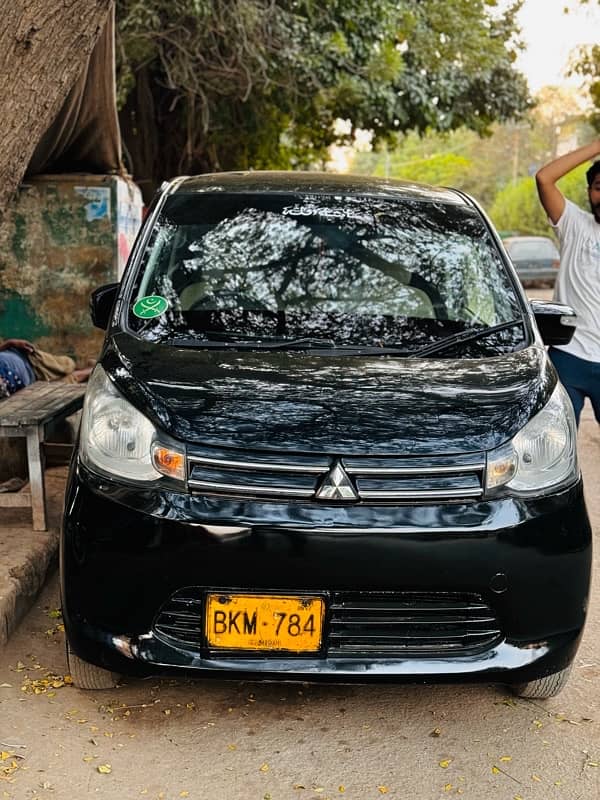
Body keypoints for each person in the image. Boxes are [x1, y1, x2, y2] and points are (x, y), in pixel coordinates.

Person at [535, 139, 600, 427]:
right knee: (559, 445)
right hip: (568, 356)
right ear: (589, 191)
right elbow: (544, 178)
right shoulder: (575, 224)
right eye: (599, 187)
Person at [0, 338, 92, 399]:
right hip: (31, 387)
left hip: (27, 357)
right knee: (69, 380)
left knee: (67, 365)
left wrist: (10, 343)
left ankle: (88, 369)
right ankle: (88, 372)